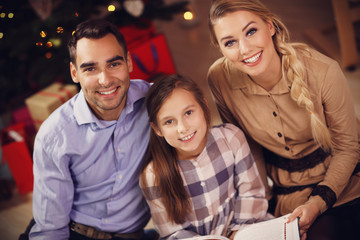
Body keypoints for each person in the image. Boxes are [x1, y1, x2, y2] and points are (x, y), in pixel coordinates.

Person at [207, 0, 360, 239]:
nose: (245, 48)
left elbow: (348, 148)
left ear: (270, 26)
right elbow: (246, 147)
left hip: (346, 179)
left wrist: (318, 203)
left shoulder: (323, 70)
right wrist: (259, 203)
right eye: (230, 42)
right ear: (219, 48)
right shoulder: (219, 78)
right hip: (287, 192)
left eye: (251, 31)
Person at [28, 19, 158, 240]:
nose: (105, 80)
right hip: (74, 233)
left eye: (114, 64)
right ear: (74, 73)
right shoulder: (54, 136)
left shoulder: (156, 103)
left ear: (128, 62)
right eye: (90, 68)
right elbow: (51, 229)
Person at [140, 74, 269, 239]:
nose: (183, 128)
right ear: (157, 129)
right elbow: (171, 233)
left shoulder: (231, 139)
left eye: (188, 112)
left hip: (245, 232)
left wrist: (236, 234)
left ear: (204, 106)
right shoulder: (153, 175)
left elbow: (251, 193)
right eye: (169, 122)